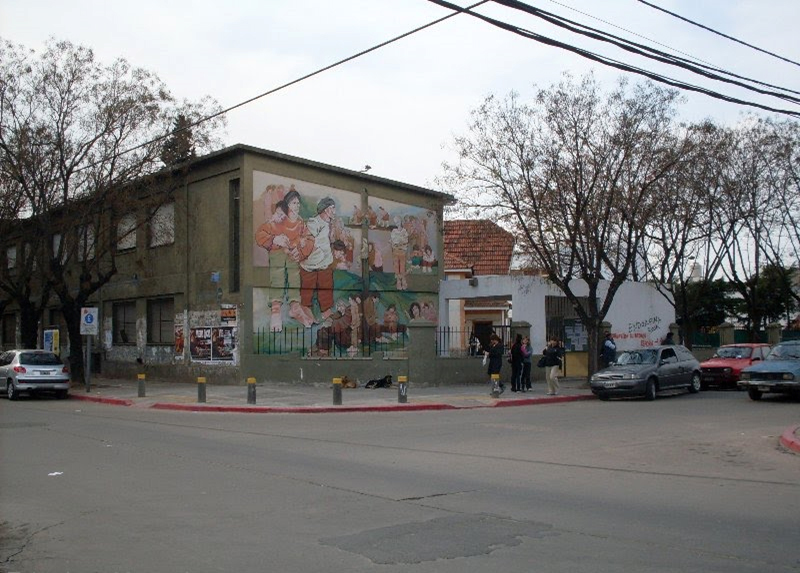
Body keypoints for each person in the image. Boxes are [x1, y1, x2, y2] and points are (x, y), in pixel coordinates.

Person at [298, 197, 338, 325]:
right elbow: (307, 238)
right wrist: (313, 249)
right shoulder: (315, 222)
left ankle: (326, 310)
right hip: (311, 263)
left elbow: (330, 240)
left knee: (326, 285)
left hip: (324, 263)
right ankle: (306, 309)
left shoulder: (329, 224)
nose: (334, 211)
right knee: (307, 287)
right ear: (326, 210)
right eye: (332, 208)